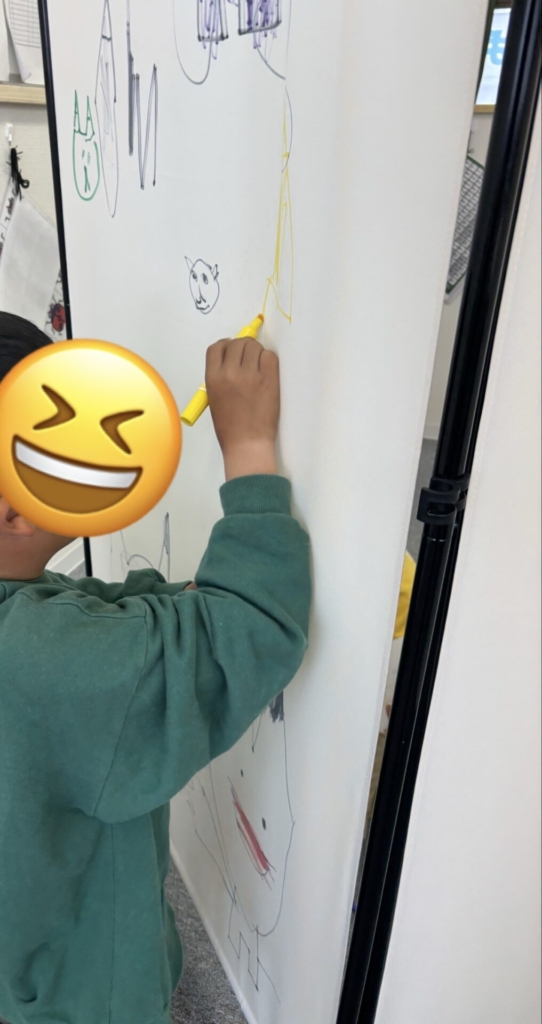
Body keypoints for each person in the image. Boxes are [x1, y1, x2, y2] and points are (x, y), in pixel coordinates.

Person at [0, 312, 311, 1024]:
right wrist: (250, 446)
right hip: (79, 1002)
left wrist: (177, 604)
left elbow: (77, 611)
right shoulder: (43, 660)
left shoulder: (32, 627)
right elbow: (251, 629)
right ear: (17, 512)